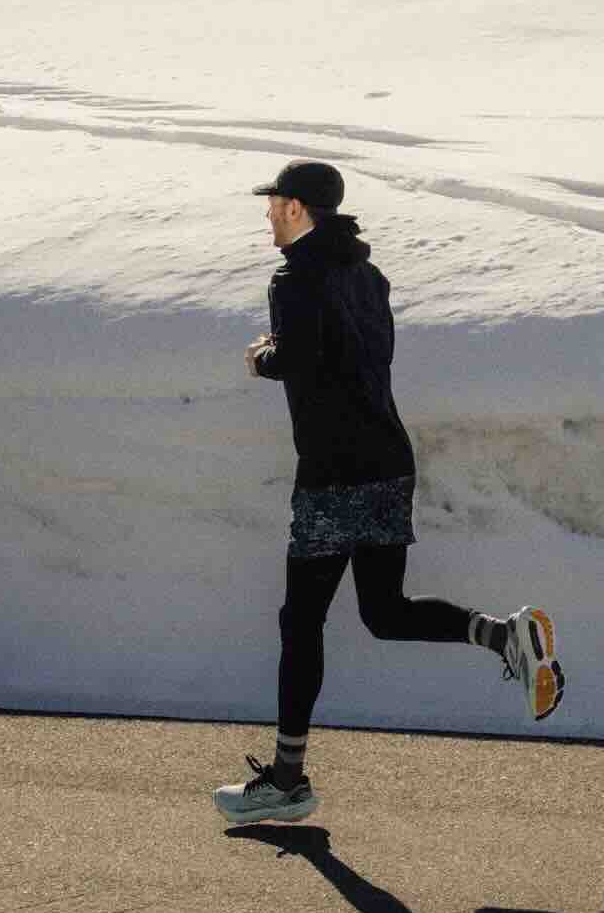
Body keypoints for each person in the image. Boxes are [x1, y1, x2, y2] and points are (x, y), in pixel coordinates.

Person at [213, 159, 564, 827]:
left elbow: (301, 358)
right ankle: (502, 635)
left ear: (298, 209)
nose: (266, 215)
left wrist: (262, 355)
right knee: (384, 610)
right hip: (386, 460)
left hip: (333, 473)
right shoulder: (369, 277)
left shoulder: (294, 280)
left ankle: (287, 781)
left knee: (301, 621)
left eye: (274, 204)